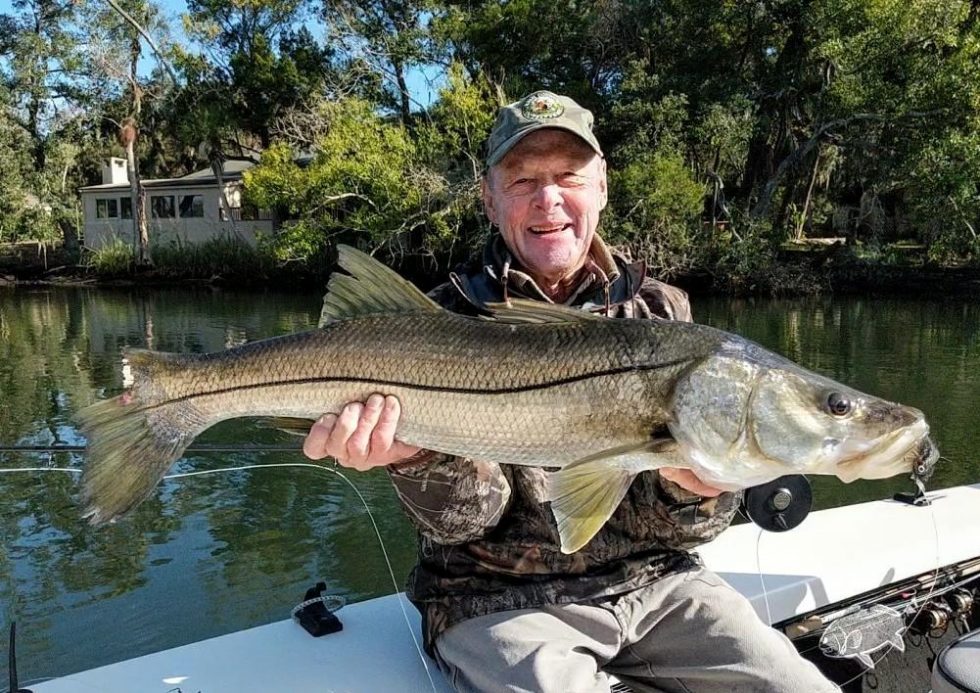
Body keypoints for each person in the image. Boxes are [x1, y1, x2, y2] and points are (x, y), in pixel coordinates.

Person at [303, 91, 836, 693]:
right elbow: (464, 526)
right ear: (488, 196)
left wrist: (702, 493)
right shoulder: (437, 321)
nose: (547, 198)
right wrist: (414, 456)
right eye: (522, 178)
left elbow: (689, 533)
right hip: (493, 600)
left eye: (567, 177)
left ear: (601, 185)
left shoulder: (663, 314)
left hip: (658, 585)